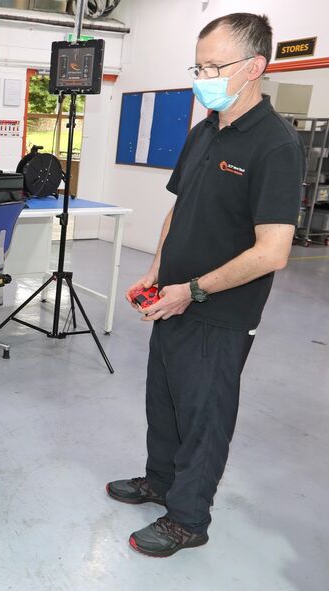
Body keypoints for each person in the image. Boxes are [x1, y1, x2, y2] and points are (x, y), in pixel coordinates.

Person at [107, 13, 306, 557]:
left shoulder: (275, 145)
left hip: (219, 312)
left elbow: (273, 252)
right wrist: (156, 270)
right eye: (199, 65)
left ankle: (189, 518)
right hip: (171, 297)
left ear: (254, 68)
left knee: (205, 414)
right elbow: (181, 206)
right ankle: (161, 482)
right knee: (165, 402)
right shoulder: (204, 131)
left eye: (215, 65)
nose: (204, 76)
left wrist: (192, 290)